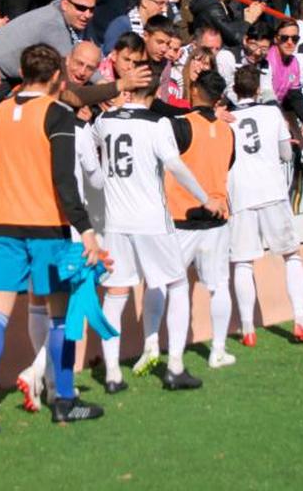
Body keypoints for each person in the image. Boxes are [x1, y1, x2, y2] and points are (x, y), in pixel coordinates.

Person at [0, 44, 107, 435]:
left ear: (21, 71)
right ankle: (64, 399)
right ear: (55, 77)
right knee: (61, 317)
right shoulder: (57, 113)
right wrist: (86, 231)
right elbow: (65, 181)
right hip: (47, 227)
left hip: (5, 227)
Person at [95, 60, 223, 393]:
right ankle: (175, 367)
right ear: (154, 91)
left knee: (116, 291)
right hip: (151, 220)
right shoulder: (157, 124)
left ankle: (111, 374)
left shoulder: (104, 119)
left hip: (115, 221)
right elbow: (175, 166)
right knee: (177, 284)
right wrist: (204, 197)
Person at [228, 64, 303, 345]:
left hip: (240, 192)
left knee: (243, 261)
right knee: (291, 255)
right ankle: (301, 321)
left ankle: (247, 330)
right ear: (258, 89)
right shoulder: (271, 113)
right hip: (271, 190)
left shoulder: (227, 118)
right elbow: (284, 153)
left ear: (235, 90)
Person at [162, 70, 239, 368]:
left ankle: (172, 354)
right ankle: (218, 350)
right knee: (219, 285)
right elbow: (229, 164)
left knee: (174, 286)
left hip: (182, 218)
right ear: (219, 97)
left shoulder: (180, 126)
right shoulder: (227, 131)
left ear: (193, 90)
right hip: (216, 219)